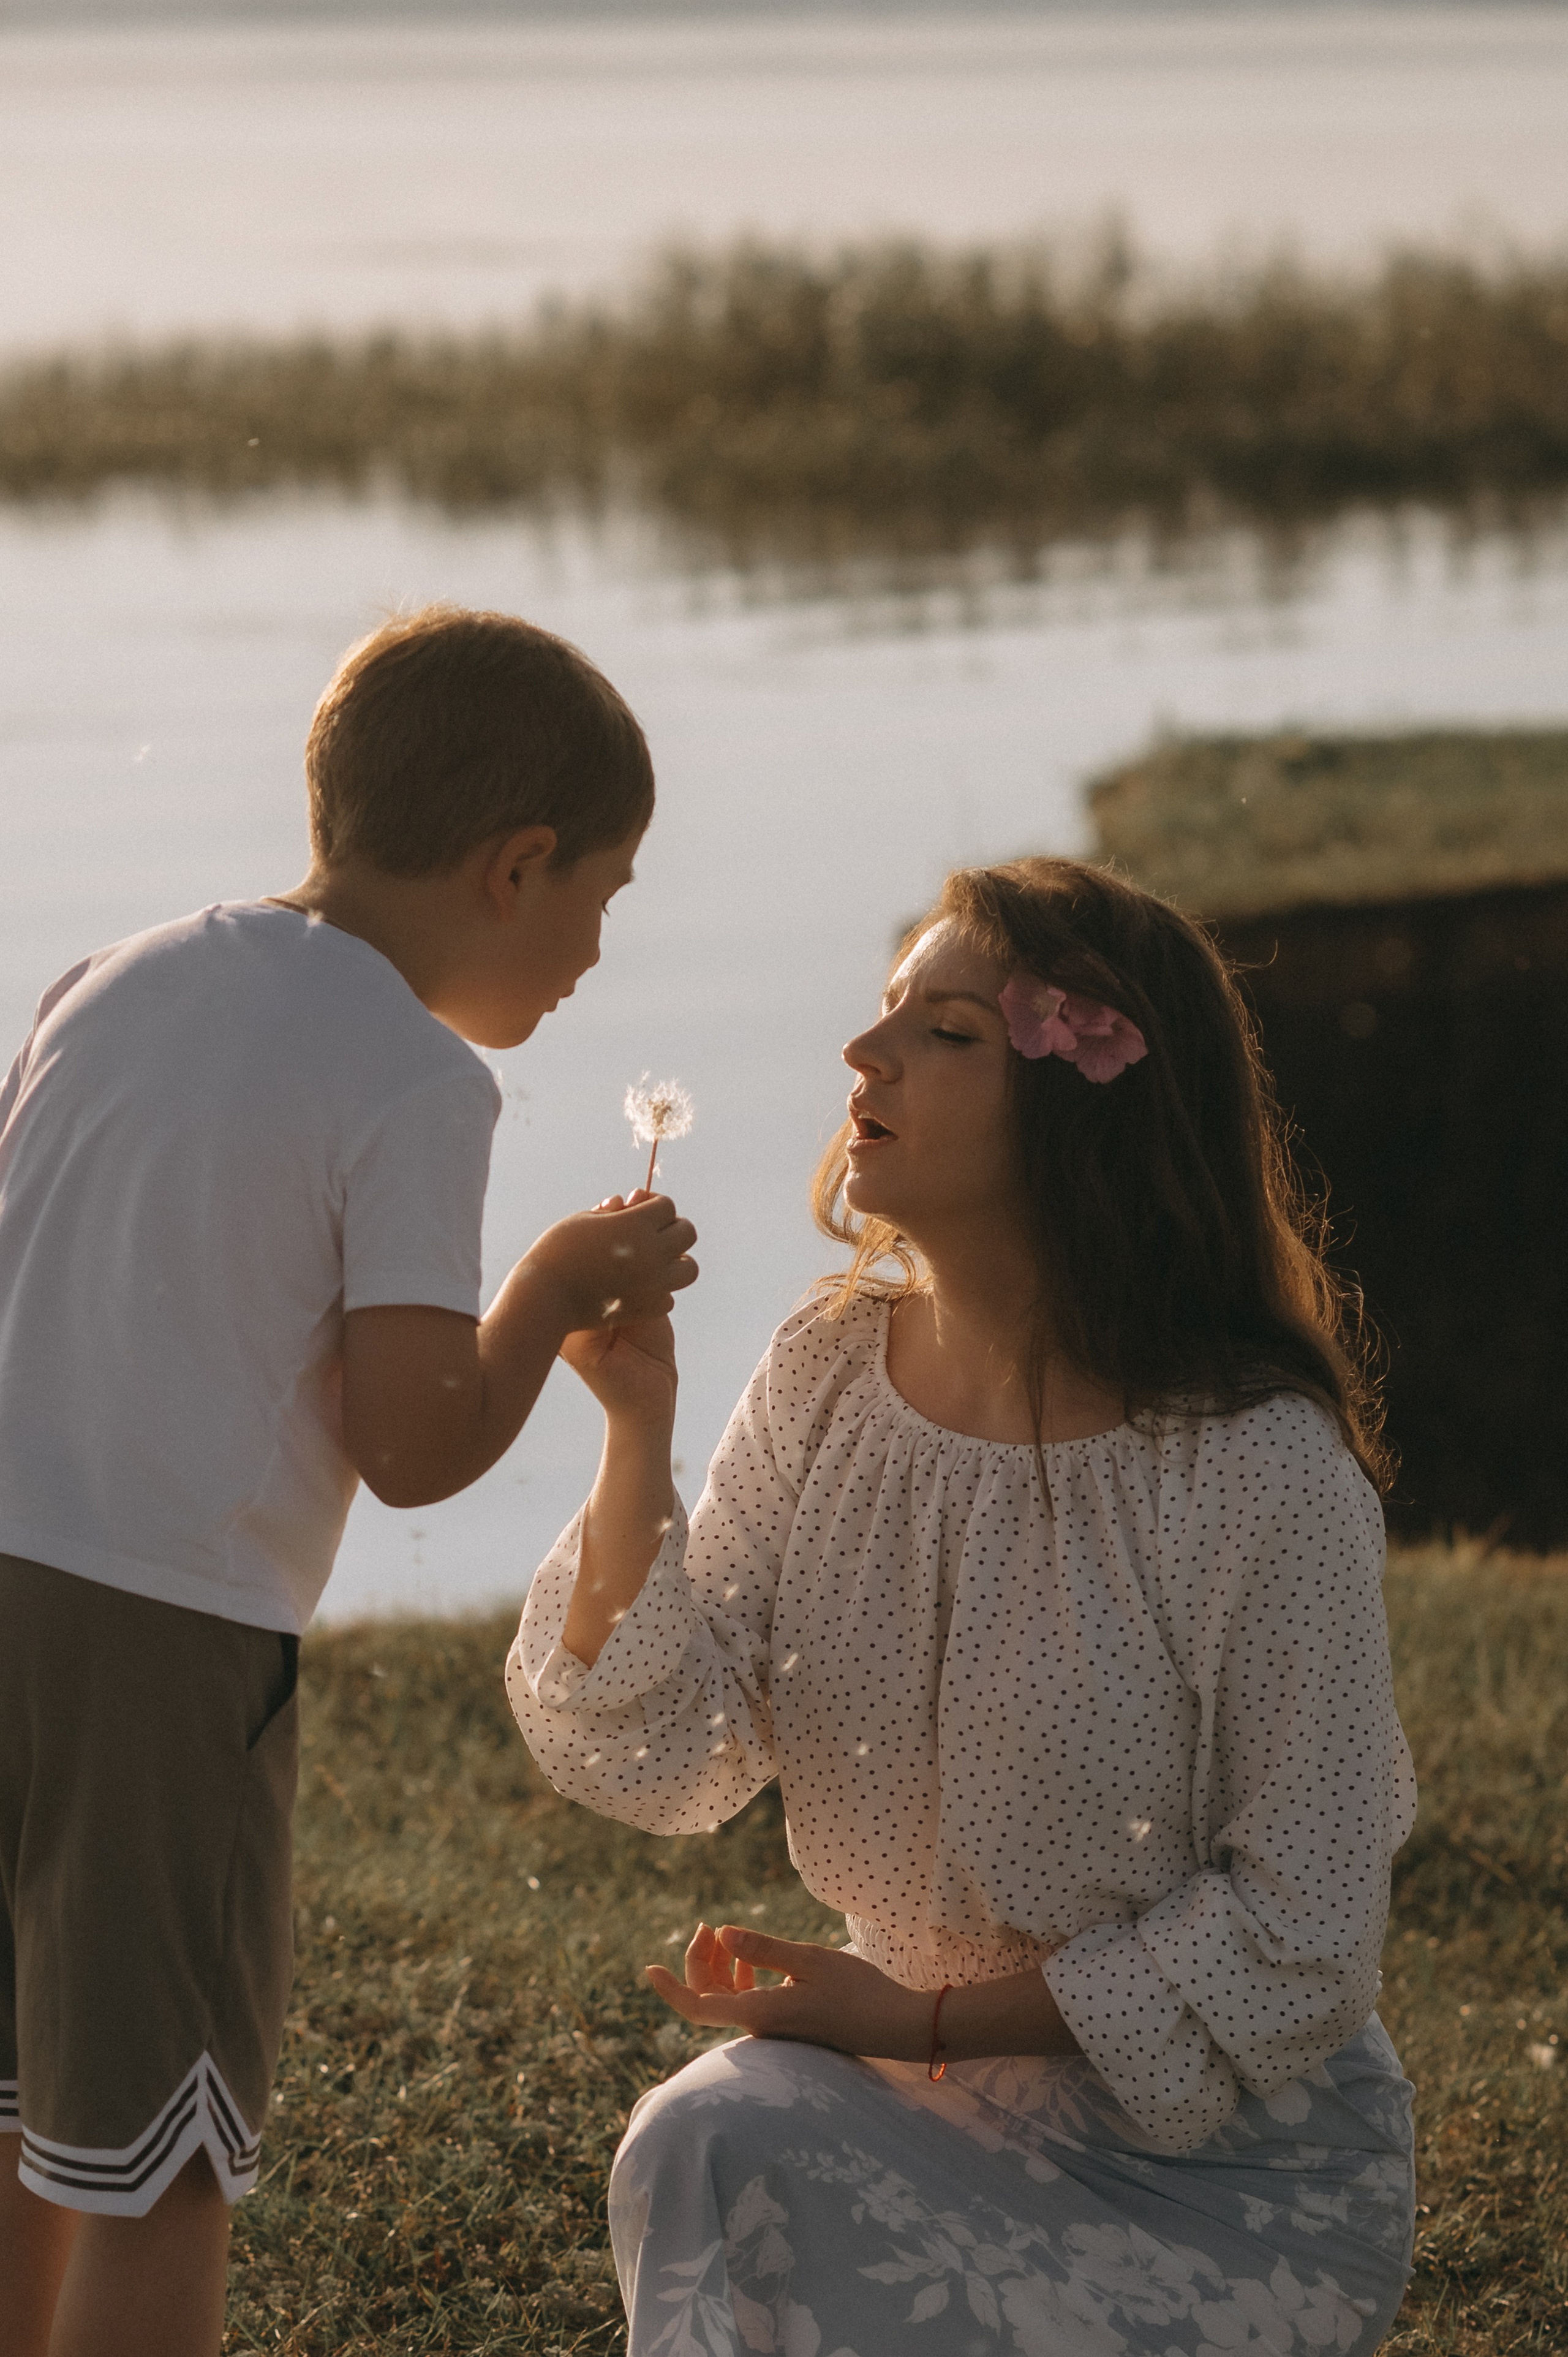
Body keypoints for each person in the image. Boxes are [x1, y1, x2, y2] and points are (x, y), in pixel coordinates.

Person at [508, 855, 1419, 2357]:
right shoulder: (822, 1375)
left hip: (1222, 2179)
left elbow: (1302, 1927)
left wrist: (912, 2020)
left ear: (1083, 1107)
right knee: (698, 2138)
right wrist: (632, 1432)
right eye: (885, 1010)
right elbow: (671, 1745)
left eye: (942, 1032)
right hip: (906, 2092)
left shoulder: (1254, 1469)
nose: (861, 1054)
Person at [0, 605, 698, 2357]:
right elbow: (412, 1446)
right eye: (602, 897)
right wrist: (549, 1292)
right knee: (159, 2159)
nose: (594, 952)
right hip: (158, 1642)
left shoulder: (111, 976)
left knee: (21, 2101)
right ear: (515, 866)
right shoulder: (414, 1076)